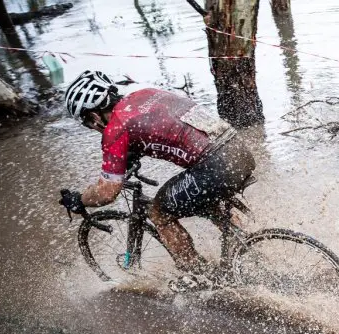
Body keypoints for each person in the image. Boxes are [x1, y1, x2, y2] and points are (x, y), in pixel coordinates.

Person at [59, 70, 255, 289]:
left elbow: (107, 192)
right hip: (238, 150)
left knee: (159, 212)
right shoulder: (144, 94)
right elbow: (162, 125)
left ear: (94, 117)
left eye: (87, 124)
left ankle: (200, 278)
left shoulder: (115, 129)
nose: (92, 128)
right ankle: (248, 250)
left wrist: (80, 199)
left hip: (215, 165)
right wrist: (132, 154)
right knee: (207, 200)